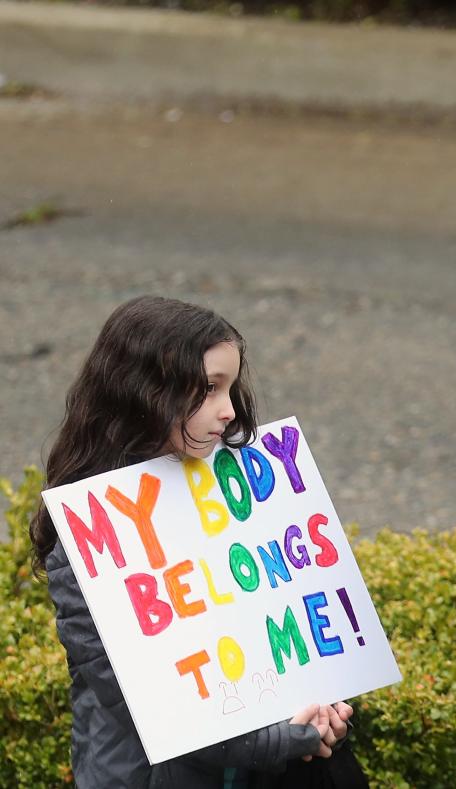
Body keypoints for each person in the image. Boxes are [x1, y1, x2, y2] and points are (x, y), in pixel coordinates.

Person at [30, 296, 367, 789]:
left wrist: (326, 708)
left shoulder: (245, 498)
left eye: (230, 388)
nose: (229, 411)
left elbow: (294, 633)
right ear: (145, 391)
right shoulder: (92, 542)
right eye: (209, 389)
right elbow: (147, 704)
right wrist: (290, 738)